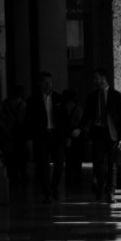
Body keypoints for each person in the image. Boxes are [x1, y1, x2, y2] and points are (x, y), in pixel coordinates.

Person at [82, 68, 121, 203]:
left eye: (97, 78)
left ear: (103, 78)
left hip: (112, 133)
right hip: (98, 133)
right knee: (98, 164)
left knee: (112, 165)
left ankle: (111, 192)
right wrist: (82, 129)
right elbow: (87, 115)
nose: (95, 81)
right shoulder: (92, 96)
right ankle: (100, 186)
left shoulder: (116, 95)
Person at [25, 72, 67, 203]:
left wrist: (67, 136)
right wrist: (29, 138)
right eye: (45, 82)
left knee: (59, 164)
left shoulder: (59, 98)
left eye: (50, 82)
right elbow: (28, 121)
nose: (48, 84)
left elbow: (65, 118)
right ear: (40, 83)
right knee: (43, 166)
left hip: (56, 135)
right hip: (41, 136)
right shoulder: (32, 100)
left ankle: (55, 187)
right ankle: (47, 193)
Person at [0, 85, 28, 186]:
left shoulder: (6, 103)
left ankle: (12, 176)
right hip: (19, 133)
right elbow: (24, 119)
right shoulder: (23, 105)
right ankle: (22, 176)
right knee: (22, 155)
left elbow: (0, 116)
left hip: (8, 132)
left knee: (10, 156)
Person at [62, 88, 84, 187]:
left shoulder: (62, 107)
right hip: (76, 135)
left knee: (68, 158)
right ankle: (78, 176)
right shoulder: (78, 109)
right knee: (78, 158)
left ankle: (68, 177)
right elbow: (81, 121)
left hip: (65, 134)